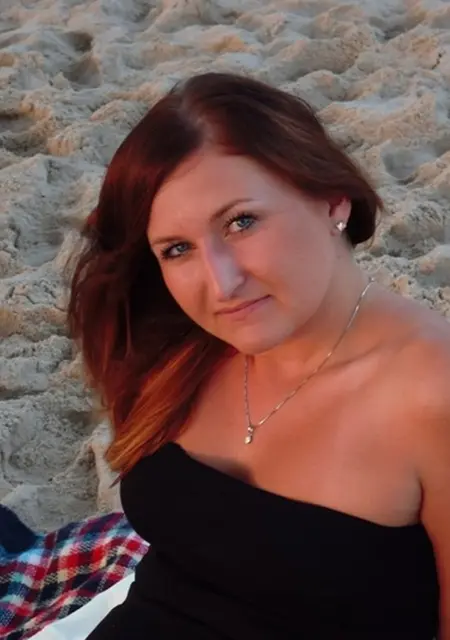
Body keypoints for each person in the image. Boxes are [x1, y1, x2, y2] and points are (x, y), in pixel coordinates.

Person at [66, 71, 450, 639]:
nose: (221, 284)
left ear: (332, 199)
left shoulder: (431, 390)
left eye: (241, 222)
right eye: (177, 249)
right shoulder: (188, 348)